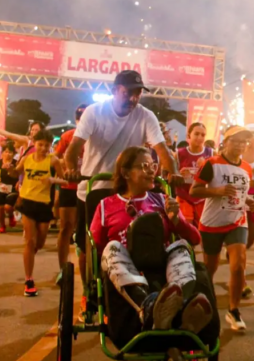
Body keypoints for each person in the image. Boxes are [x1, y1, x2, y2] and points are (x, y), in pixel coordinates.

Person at [63, 70, 182, 318]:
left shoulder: (145, 116)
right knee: (90, 246)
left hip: (129, 187)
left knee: (141, 238)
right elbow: (73, 149)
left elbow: (162, 151)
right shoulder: (94, 112)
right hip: (94, 188)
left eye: (138, 93)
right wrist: (71, 169)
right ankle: (90, 293)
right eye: (128, 92)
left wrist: (172, 173)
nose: (133, 98)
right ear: (115, 90)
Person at [89, 146, 215, 344]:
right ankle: (148, 306)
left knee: (181, 246)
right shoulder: (106, 205)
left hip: (160, 266)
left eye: (153, 166)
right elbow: (96, 247)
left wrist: (176, 221)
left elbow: (195, 239)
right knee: (111, 247)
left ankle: (178, 305)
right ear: (125, 173)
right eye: (144, 166)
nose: (151, 171)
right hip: (126, 269)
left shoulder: (163, 200)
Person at [190, 126, 254, 331]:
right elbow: (194, 191)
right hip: (212, 222)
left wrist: (249, 202)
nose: (239, 145)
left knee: (238, 265)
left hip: (237, 220)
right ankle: (203, 304)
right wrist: (217, 190)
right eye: (235, 140)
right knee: (210, 267)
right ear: (225, 142)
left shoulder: (247, 167)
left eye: (243, 141)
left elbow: (240, 194)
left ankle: (233, 310)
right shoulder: (212, 164)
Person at [7, 130, 65, 297]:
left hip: (44, 205)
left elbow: (65, 180)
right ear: (34, 144)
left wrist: (52, 180)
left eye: (47, 145)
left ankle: (31, 255)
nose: (43, 148)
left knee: (39, 243)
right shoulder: (26, 159)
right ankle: (29, 280)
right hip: (27, 202)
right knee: (30, 241)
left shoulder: (53, 161)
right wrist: (10, 168)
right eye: (40, 145)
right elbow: (16, 173)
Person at [53, 104, 88, 279]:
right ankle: (62, 269)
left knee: (87, 231)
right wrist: (65, 172)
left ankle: (88, 271)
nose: (83, 120)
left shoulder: (96, 136)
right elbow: (55, 158)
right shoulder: (68, 136)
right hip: (69, 188)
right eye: (80, 117)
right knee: (65, 228)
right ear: (76, 120)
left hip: (89, 188)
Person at [176, 122, 214, 227]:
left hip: (202, 198)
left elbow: (217, 176)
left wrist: (205, 167)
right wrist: (178, 174)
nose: (200, 137)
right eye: (196, 134)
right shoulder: (179, 154)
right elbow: (168, 176)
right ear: (189, 136)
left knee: (202, 230)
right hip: (184, 196)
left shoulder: (211, 154)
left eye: (203, 135)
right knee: (187, 229)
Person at [0, 141, 19, 233]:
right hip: (0, 188)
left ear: (13, 154)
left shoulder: (16, 163)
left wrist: (11, 170)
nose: (8, 154)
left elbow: (18, 175)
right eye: (6, 151)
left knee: (7, 207)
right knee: (0, 209)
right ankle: (2, 226)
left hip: (12, 188)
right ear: (2, 153)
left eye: (10, 152)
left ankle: (10, 216)